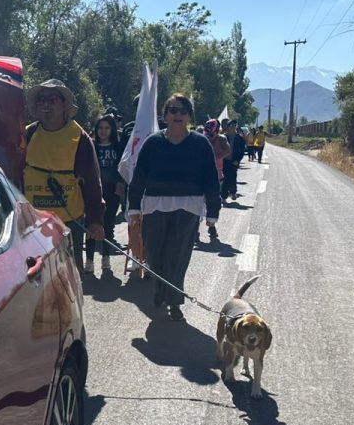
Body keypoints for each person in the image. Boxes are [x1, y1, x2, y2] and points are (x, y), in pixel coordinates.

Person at [127, 94, 222, 322]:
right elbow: (139, 177)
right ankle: (161, 287)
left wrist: (213, 211)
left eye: (183, 111)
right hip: (154, 206)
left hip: (188, 207)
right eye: (173, 110)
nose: (178, 114)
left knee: (178, 256)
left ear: (189, 115)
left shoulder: (200, 144)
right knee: (155, 254)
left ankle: (175, 301)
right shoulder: (153, 142)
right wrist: (132, 208)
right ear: (165, 115)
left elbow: (211, 178)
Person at [23, 79, 105, 274]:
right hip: (33, 221)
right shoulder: (28, 134)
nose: (46, 104)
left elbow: (92, 181)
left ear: (64, 105)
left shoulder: (79, 137)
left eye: (52, 99)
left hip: (68, 222)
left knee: (69, 276)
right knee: (35, 278)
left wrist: (95, 220)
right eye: (41, 99)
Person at [86, 115, 126, 272]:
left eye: (107, 128)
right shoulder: (90, 146)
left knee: (108, 224)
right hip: (93, 190)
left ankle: (106, 258)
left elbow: (123, 168)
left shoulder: (118, 147)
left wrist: (121, 183)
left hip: (112, 191)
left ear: (112, 129)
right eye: (100, 128)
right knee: (90, 223)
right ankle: (89, 260)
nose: (103, 131)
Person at [221, 120, 245, 201]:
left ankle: (233, 192)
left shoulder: (239, 138)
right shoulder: (223, 137)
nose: (233, 127)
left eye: (234, 125)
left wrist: (238, 160)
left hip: (234, 161)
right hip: (224, 161)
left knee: (233, 177)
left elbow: (241, 151)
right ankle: (223, 196)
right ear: (227, 127)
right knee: (225, 178)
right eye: (231, 126)